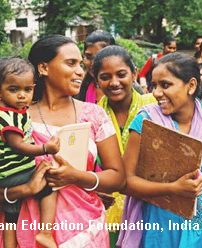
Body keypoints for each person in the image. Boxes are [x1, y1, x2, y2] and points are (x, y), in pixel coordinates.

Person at [0, 34, 125, 247]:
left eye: (80, 64)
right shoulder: (15, 119)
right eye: (71, 63)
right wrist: (25, 190)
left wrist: (76, 176)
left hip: (84, 232)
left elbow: (118, 178)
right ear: (43, 68)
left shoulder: (94, 115)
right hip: (24, 231)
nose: (80, 71)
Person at [123, 52, 202, 247]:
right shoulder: (145, 121)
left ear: (191, 85)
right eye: (154, 85)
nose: (155, 93)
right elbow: (126, 182)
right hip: (163, 226)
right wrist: (172, 188)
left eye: (165, 85)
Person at [93, 45, 156, 247]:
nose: (114, 83)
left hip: (150, 205)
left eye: (121, 74)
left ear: (134, 73)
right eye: (105, 77)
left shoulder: (154, 106)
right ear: (96, 80)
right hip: (107, 210)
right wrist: (93, 190)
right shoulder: (90, 115)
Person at [0, 57, 60, 248]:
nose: (21, 95)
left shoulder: (17, 112)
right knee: (49, 186)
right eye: (13, 89)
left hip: (8, 174)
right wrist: (45, 148)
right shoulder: (8, 116)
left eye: (27, 90)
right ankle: (45, 233)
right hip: (15, 174)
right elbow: (18, 145)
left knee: (10, 213)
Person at [76, 30, 116, 103]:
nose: (93, 63)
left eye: (99, 56)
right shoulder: (79, 89)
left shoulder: (127, 89)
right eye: (88, 57)